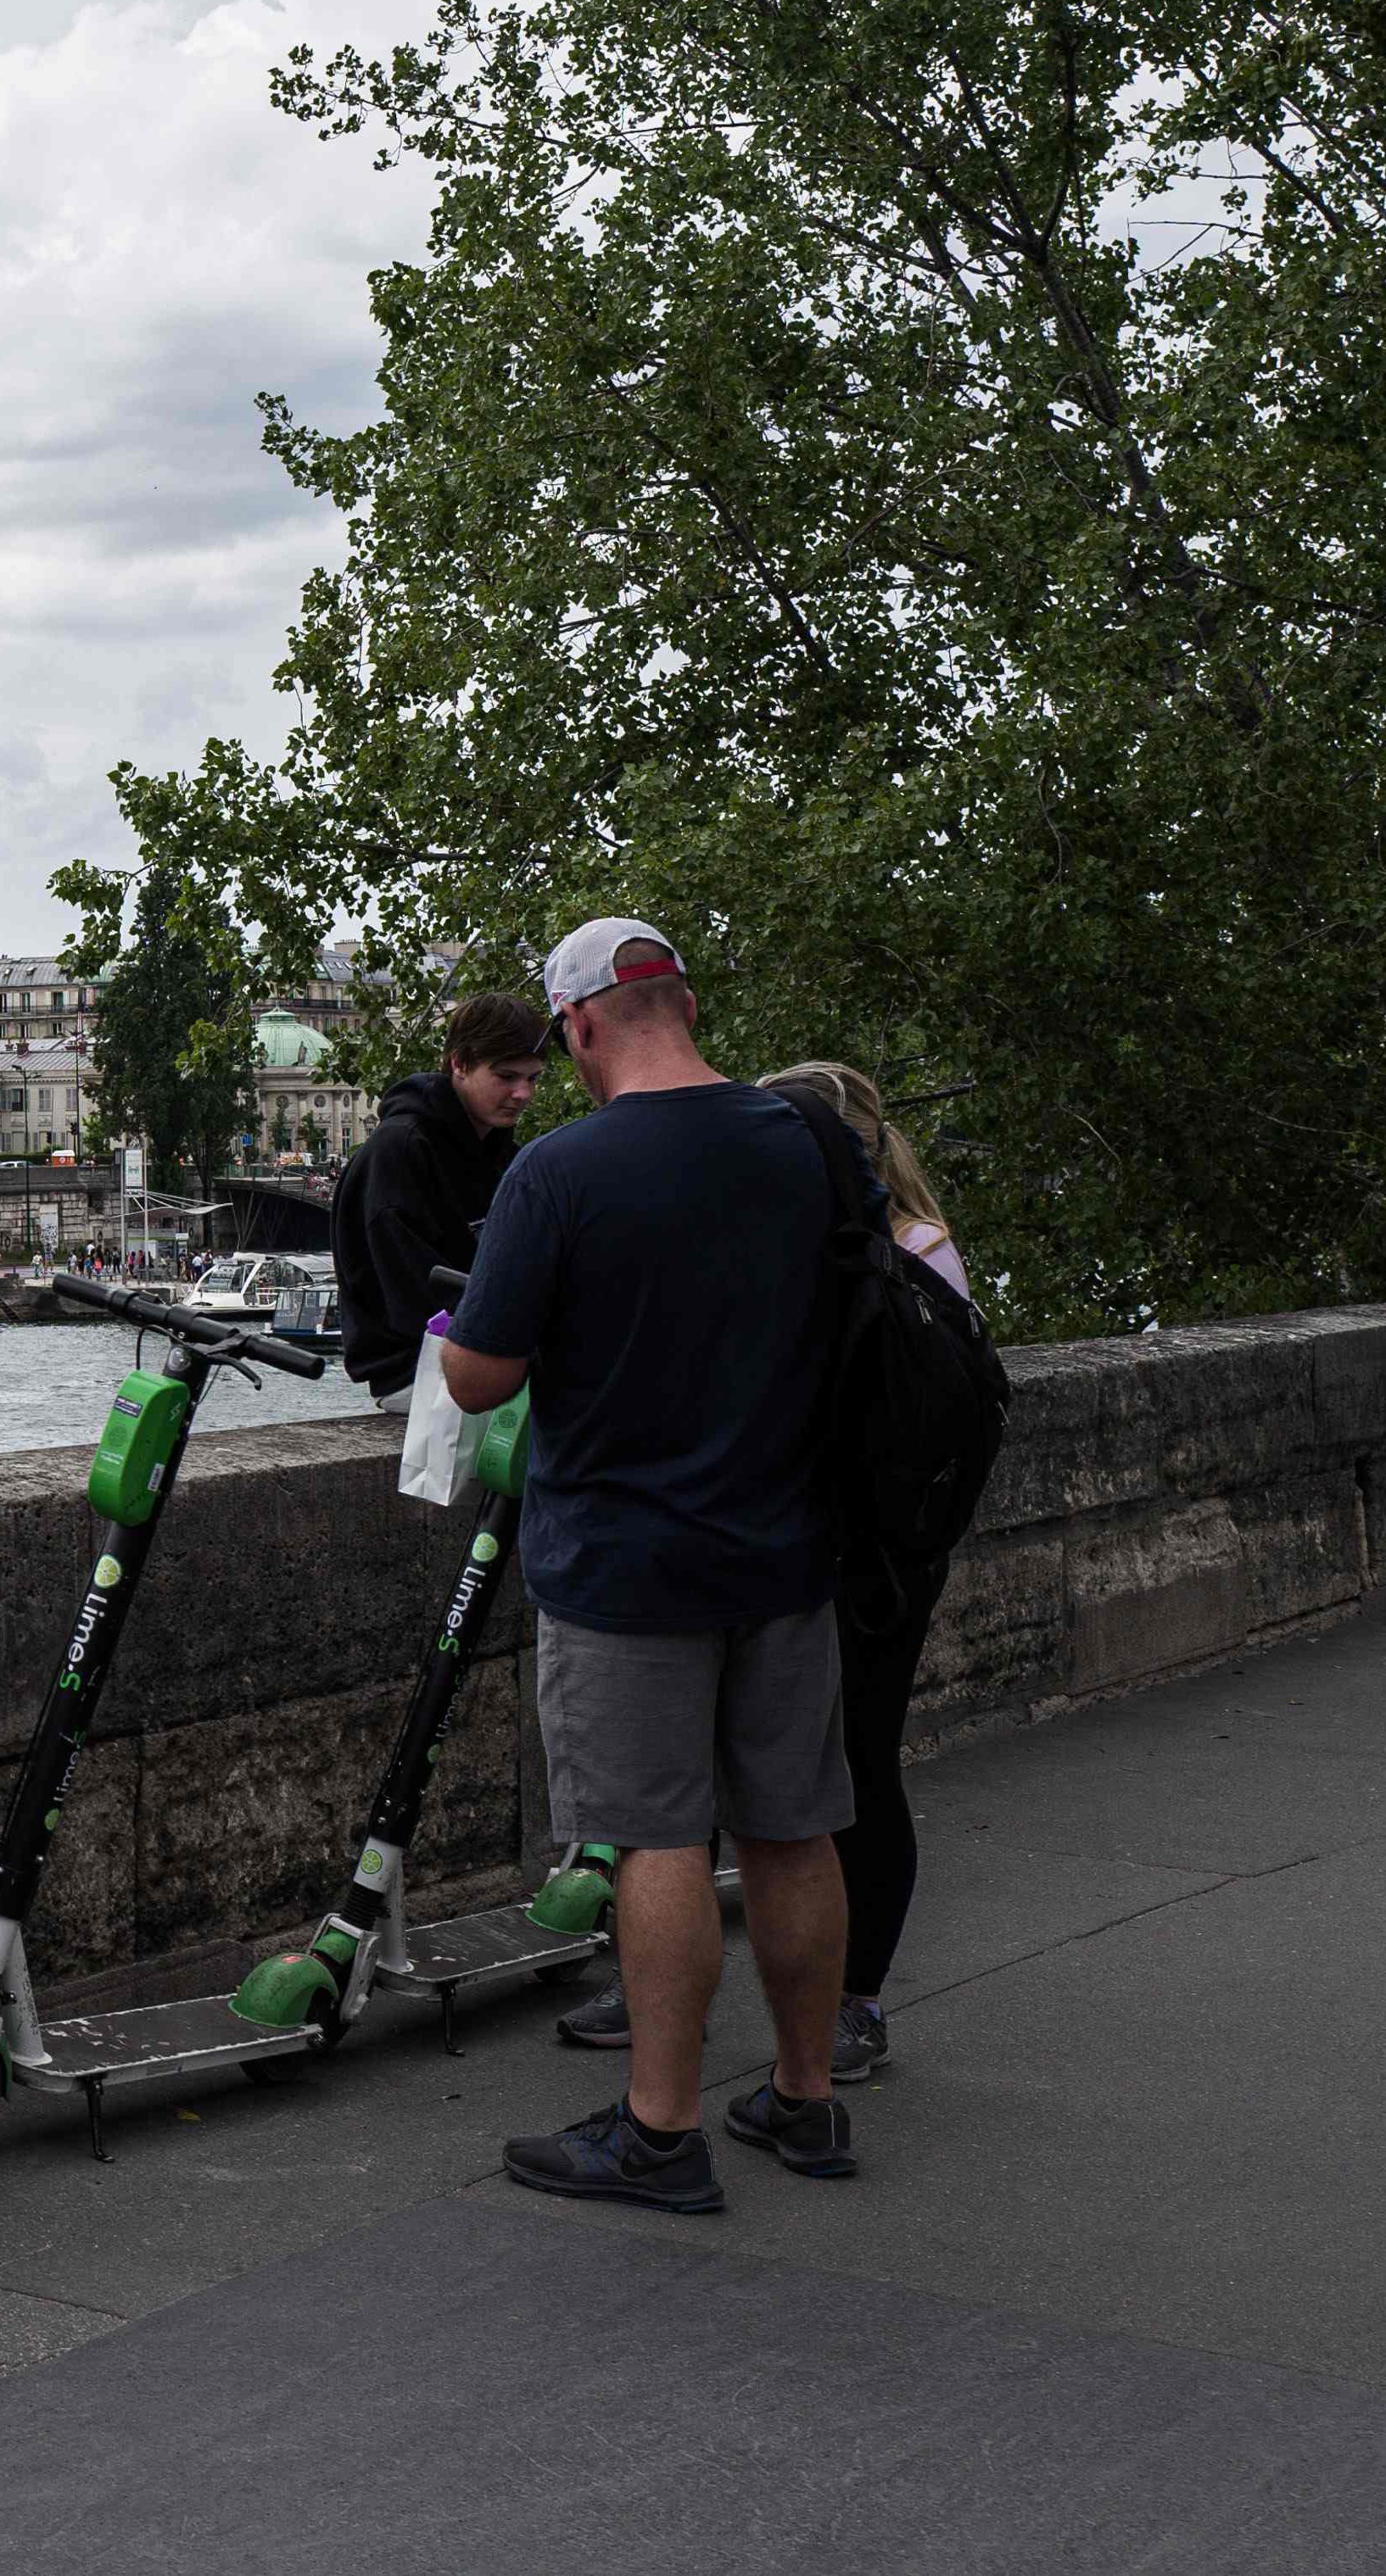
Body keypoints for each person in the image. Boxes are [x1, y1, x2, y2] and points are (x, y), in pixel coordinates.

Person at [441, 919, 861, 2208]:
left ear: (575, 1027)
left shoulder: (559, 1172)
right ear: (682, 1000)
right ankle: (805, 2098)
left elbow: (482, 1373)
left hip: (628, 1561)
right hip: (786, 1541)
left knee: (657, 1838)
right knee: (794, 1827)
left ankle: (660, 2128)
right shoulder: (811, 1142)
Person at [760, 1058, 969, 2084]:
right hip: (898, 1548)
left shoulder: (876, 1260)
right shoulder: (925, 1251)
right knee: (845, 1767)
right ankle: (844, 2000)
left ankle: (854, 1999)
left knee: (849, 1771)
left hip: (853, 1549)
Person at [332, 990, 549, 1410]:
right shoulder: (400, 1153)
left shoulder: (500, 1150)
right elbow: (415, 1294)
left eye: (533, 1078)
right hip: (421, 1373)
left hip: (477, 1361)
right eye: (506, 1077)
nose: (523, 1093)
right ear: (459, 1064)